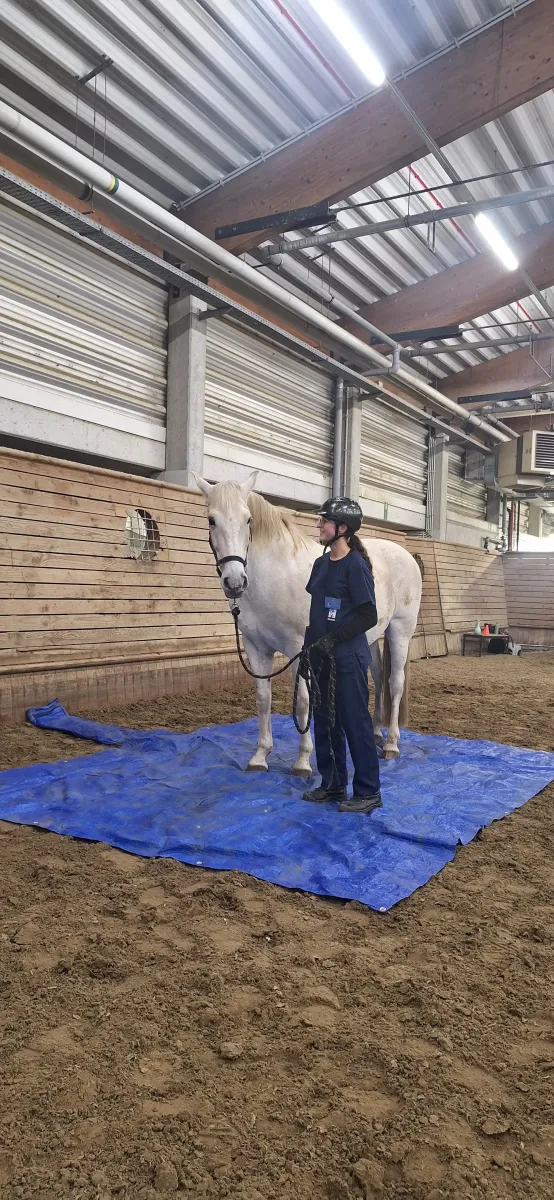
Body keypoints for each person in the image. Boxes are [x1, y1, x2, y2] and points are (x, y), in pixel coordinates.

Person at [302, 497, 382, 815]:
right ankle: (333, 783)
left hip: (347, 660)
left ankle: (368, 791)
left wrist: (333, 639)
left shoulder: (356, 566)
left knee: (355, 724)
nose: (319, 525)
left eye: (324, 521)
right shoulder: (321, 565)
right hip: (322, 658)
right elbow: (316, 611)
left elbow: (368, 616)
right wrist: (309, 647)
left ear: (342, 528)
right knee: (325, 722)